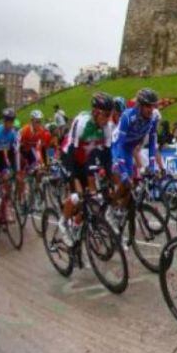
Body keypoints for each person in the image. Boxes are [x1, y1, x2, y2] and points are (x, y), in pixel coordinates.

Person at [58, 94, 115, 242]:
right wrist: (73, 179)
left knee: (92, 198)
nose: (109, 119)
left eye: (110, 115)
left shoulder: (107, 127)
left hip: (86, 157)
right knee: (78, 195)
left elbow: (107, 156)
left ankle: (77, 225)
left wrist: (109, 181)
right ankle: (63, 222)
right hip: (70, 156)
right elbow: (72, 152)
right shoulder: (82, 122)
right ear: (96, 112)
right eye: (106, 115)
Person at [109, 89, 165, 225]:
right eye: (147, 106)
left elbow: (152, 145)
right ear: (139, 105)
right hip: (117, 148)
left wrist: (152, 166)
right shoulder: (128, 117)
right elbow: (120, 145)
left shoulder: (153, 119)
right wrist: (122, 170)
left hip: (129, 149)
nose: (151, 109)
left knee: (132, 186)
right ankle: (111, 207)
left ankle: (121, 210)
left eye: (153, 106)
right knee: (125, 181)